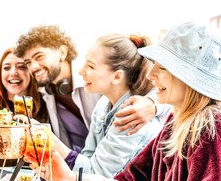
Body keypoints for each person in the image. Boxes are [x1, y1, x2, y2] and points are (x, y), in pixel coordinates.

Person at [34, 22, 221, 181]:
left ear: (188, 78)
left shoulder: (212, 130)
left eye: (162, 67)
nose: (151, 75)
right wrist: (71, 180)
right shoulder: (174, 123)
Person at [14, 24, 164, 153]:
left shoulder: (97, 78)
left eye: (39, 56)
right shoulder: (44, 91)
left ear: (62, 52)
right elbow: (9, 87)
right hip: (78, 169)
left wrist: (153, 103)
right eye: (28, 62)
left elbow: (169, 93)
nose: (33, 66)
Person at [53, 33, 164, 177]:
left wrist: (50, 141)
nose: (81, 71)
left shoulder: (131, 116)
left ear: (117, 76)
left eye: (91, 66)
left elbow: (95, 176)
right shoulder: (103, 104)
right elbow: (88, 156)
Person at [0, 47, 49, 167]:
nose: (13, 72)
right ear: (0, 73)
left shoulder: (46, 104)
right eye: (6, 68)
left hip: (38, 178)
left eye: (21, 66)